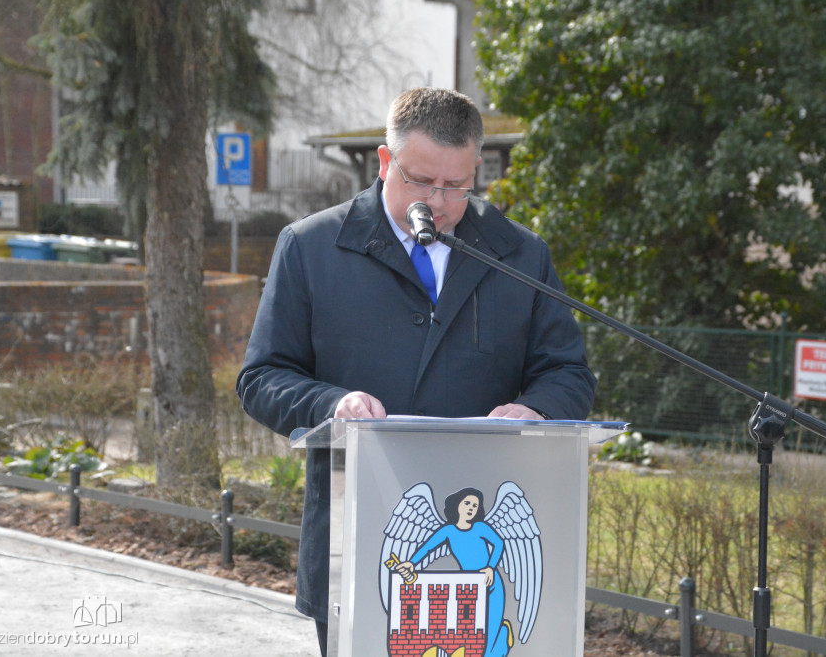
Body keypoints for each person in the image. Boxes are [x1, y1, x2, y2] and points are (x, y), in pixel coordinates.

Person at [236, 87, 596, 655]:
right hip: (355, 537)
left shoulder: (520, 255)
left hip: (482, 545)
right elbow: (261, 378)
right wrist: (332, 404)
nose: (441, 200)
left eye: (456, 184)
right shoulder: (311, 247)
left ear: (476, 167)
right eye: (422, 180)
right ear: (385, 163)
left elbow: (568, 374)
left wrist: (536, 408)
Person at [394, 487, 512, 657]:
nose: (471, 507)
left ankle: (500, 635)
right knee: (475, 634)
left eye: (475, 505)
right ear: (458, 505)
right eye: (467, 503)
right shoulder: (448, 531)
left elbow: (499, 544)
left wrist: (490, 567)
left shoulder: (480, 527)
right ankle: (503, 635)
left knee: (490, 634)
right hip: (469, 588)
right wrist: (412, 563)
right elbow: (427, 547)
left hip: (491, 583)